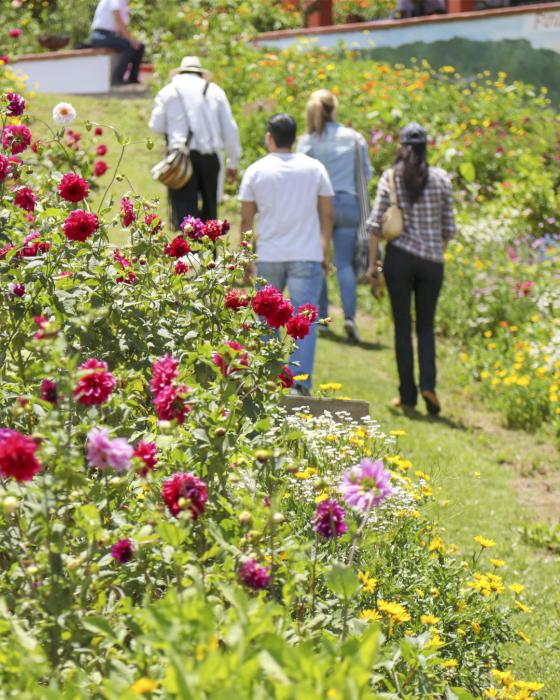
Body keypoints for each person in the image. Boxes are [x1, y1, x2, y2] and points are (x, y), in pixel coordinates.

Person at [239, 114, 334, 395]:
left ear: (270, 137)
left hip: (270, 253)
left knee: (267, 321)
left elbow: (246, 222)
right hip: (307, 253)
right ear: (295, 138)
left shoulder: (256, 171)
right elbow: (326, 214)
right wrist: (324, 250)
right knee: (303, 320)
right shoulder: (315, 168)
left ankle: (267, 380)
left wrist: (246, 258)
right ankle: (300, 382)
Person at [366, 122, 456, 415]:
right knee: (427, 326)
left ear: (402, 147)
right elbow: (448, 228)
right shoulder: (442, 179)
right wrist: (434, 254)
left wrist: (373, 264)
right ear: (425, 147)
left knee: (403, 327)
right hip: (432, 262)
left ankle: (407, 395)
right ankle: (428, 385)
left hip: (400, 259)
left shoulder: (391, 177)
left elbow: (376, 225)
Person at [297, 89, 372, 344]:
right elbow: (366, 175)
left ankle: (323, 317)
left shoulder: (309, 140)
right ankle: (350, 317)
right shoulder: (354, 139)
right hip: (350, 204)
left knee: (321, 259)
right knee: (345, 264)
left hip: (320, 206)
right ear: (335, 108)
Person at [149, 56, 241, 229]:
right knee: (210, 212)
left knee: (185, 212)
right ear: (200, 73)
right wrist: (233, 161)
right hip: (210, 156)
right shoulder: (214, 91)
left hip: (181, 157)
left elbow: (156, 125)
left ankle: (189, 254)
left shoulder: (169, 91)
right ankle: (209, 252)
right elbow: (230, 129)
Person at [88, 0, 144, 85]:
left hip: (110, 35)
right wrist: (130, 41)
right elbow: (118, 20)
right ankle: (117, 79)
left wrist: (132, 40)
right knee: (129, 46)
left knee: (140, 46)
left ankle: (133, 78)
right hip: (100, 35)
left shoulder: (124, 3)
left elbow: (121, 27)